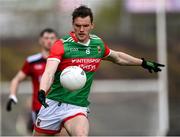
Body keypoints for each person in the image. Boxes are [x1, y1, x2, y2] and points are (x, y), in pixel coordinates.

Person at [33, 6, 165, 136]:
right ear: (73, 25)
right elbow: (49, 72)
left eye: (85, 25)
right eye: (78, 25)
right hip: (53, 104)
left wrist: (143, 62)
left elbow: (117, 57)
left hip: (77, 106)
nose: (81, 29)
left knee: (81, 134)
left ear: (92, 26)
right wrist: (42, 90)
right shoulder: (61, 45)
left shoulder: (98, 45)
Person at [6, 28, 59, 133]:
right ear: (40, 40)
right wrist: (12, 94)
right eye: (46, 38)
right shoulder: (32, 61)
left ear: (57, 40)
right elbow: (16, 79)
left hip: (59, 107)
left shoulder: (62, 61)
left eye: (52, 38)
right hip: (39, 108)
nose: (49, 41)